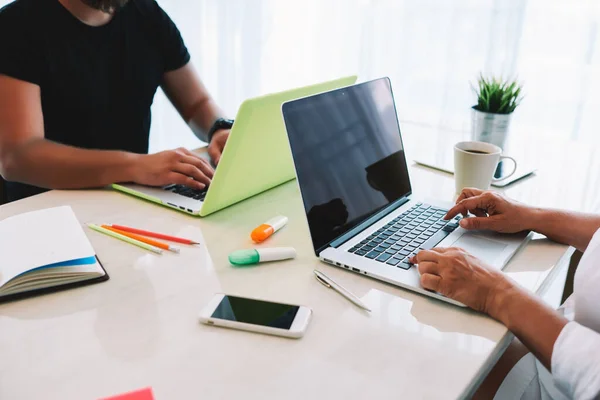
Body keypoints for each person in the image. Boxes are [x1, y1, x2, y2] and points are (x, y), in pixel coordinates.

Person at [0, 0, 232, 202]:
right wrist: (136, 166)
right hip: (45, 216)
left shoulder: (147, 14)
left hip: (128, 200)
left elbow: (197, 103)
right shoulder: (15, 26)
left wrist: (218, 128)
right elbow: (18, 156)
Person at [410, 188, 600, 399]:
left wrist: (495, 293)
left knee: (421, 369)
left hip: (562, 383)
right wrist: (530, 216)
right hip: (557, 343)